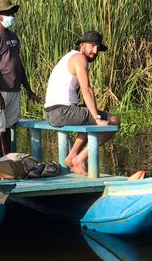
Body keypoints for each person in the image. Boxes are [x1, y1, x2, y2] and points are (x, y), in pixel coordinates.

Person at [43, 31, 121, 175]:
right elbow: (87, 90)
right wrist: (97, 118)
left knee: (88, 114)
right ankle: (79, 159)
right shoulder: (79, 58)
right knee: (114, 121)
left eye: (97, 47)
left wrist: (94, 114)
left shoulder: (69, 56)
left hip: (51, 112)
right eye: (92, 46)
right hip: (61, 111)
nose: (95, 51)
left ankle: (72, 155)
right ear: (82, 44)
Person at [0, 0, 40, 159]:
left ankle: (6, 158)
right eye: (8, 13)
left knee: (6, 126)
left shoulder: (13, 36)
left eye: (12, 13)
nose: (11, 16)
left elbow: (18, 64)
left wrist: (28, 90)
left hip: (14, 89)